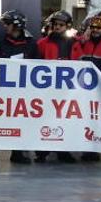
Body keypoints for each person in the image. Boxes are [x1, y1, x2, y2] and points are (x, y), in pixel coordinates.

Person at [0, 10, 38, 165]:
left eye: (7, 23)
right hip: (0, 90)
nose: (4, 26)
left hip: (22, 91)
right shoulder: (0, 40)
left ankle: (17, 154)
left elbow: (38, 66)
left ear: (17, 25)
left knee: (19, 122)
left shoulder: (31, 43)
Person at [35, 10, 82, 164]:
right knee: (45, 118)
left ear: (67, 26)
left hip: (67, 91)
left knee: (65, 120)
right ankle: (42, 151)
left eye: (61, 25)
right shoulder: (42, 43)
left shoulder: (75, 43)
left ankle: (63, 151)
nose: (57, 27)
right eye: (55, 24)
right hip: (47, 90)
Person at [77, 12, 101, 162]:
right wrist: (82, 39)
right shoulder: (84, 41)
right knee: (81, 117)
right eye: (93, 26)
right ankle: (83, 146)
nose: (95, 29)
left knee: (97, 118)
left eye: (99, 27)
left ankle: (93, 149)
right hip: (82, 88)